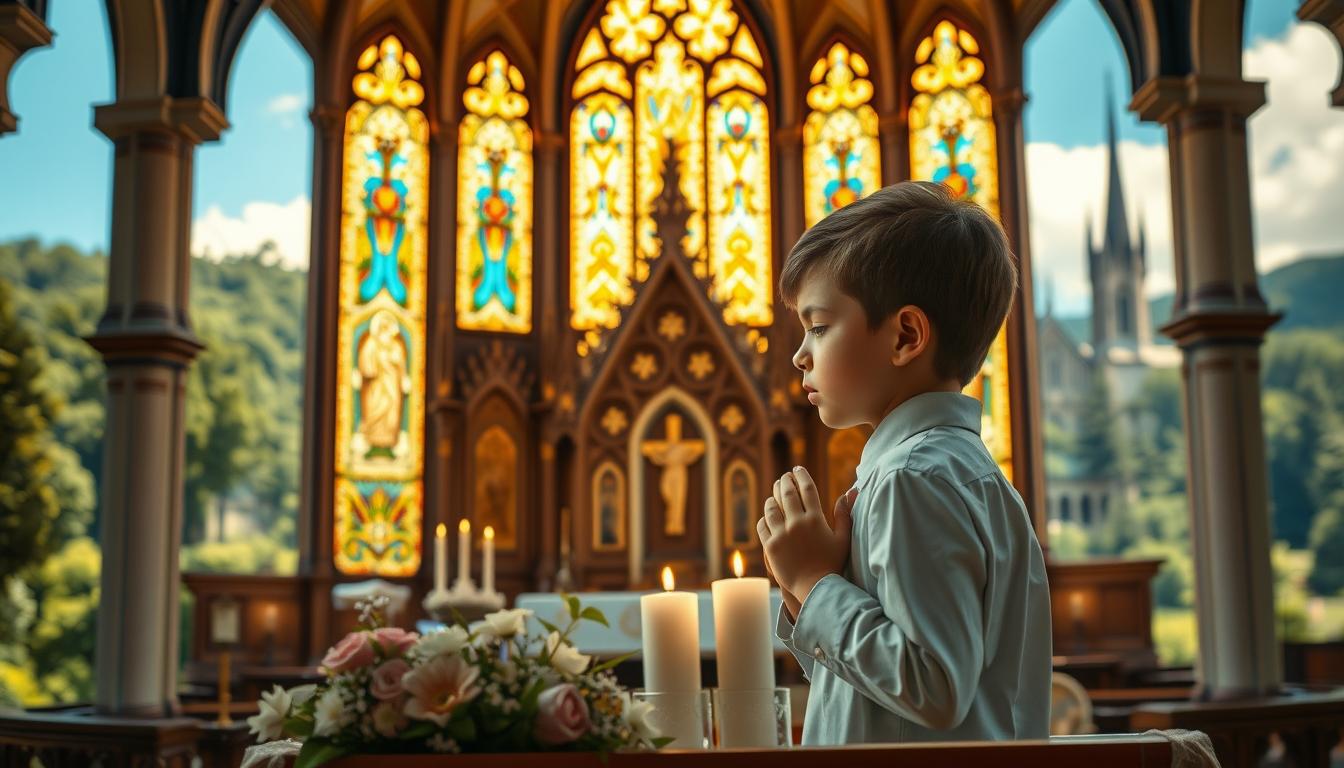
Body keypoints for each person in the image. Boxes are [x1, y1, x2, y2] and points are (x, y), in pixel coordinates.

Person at [758, 181, 1051, 744]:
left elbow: (933, 687)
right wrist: (808, 593)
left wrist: (816, 583)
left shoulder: (912, 478)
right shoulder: (949, 468)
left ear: (906, 336)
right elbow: (873, 697)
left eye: (818, 326)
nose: (800, 354)